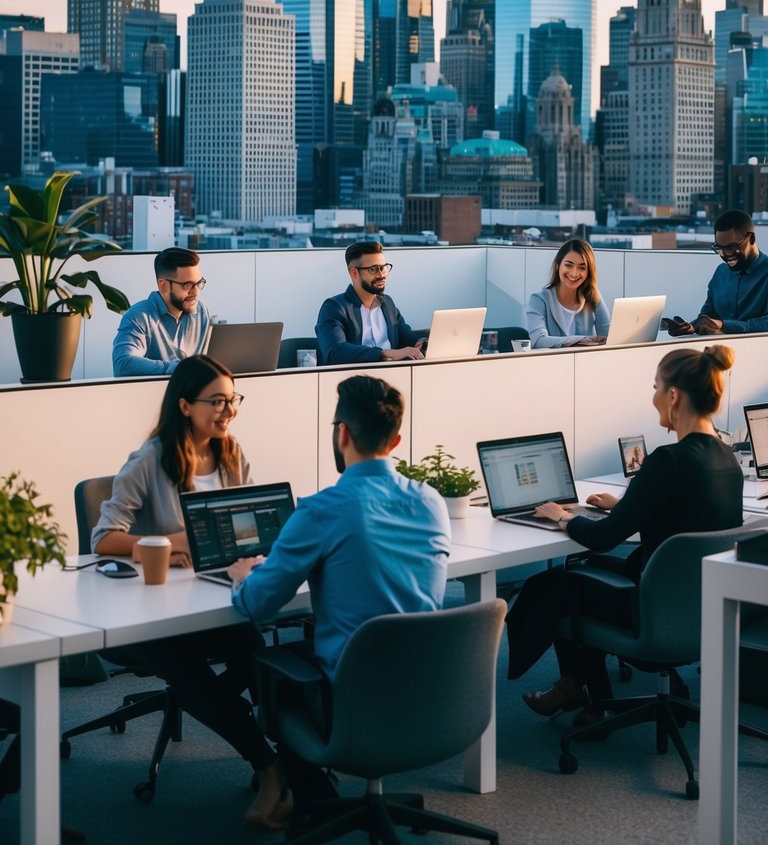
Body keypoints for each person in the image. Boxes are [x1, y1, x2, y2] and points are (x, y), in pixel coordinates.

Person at [228, 373, 451, 828]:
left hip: (352, 704)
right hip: (433, 697)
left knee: (274, 664)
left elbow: (258, 605)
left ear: (342, 433)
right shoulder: (431, 502)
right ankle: (311, 798)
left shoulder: (322, 509)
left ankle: (310, 798)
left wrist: (242, 575)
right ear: (397, 440)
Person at [505, 345, 743, 719]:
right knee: (583, 569)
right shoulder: (725, 456)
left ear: (674, 396)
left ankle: (577, 690)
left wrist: (561, 517)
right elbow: (692, 513)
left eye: (655, 387)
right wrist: (626, 506)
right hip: (701, 606)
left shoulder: (667, 459)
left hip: (649, 605)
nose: (653, 397)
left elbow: (603, 537)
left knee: (555, 585)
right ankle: (585, 692)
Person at [92, 355, 282, 820]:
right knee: (188, 671)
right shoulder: (151, 459)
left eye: (232, 399)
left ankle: (299, 762)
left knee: (253, 651)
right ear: (183, 405)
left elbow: (248, 522)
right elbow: (103, 538)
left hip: (216, 592)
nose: (228, 410)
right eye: (216, 401)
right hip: (155, 612)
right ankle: (271, 767)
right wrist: (162, 542)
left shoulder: (231, 452)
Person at [314, 240, 427, 364]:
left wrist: (421, 342)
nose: (381, 275)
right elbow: (335, 352)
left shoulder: (387, 303)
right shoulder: (334, 307)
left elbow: (406, 336)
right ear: (354, 273)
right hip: (355, 379)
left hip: (394, 375)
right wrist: (386, 353)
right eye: (373, 269)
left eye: (383, 268)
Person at [663, 209, 768, 337]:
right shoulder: (720, 273)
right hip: (717, 351)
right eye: (719, 248)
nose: (724, 254)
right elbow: (708, 316)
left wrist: (724, 325)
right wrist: (692, 327)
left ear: (751, 239)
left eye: (730, 247)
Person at [112, 247, 211, 376]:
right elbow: (123, 365)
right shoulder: (138, 317)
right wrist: (178, 369)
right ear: (163, 285)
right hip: (155, 394)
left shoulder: (201, 312)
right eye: (187, 285)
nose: (196, 292)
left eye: (199, 283)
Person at [527, 238, 610, 349]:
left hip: (586, 363)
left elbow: (609, 339)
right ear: (558, 265)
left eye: (582, 267)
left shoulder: (593, 297)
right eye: (568, 265)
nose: (574, 273)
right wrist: (580, 340)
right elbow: (537, 341)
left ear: (588, 272)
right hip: (553, 364)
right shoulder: (539, 300)